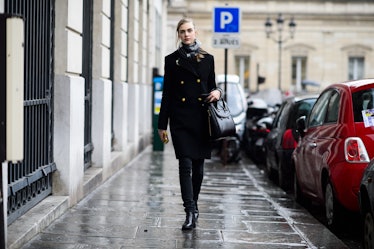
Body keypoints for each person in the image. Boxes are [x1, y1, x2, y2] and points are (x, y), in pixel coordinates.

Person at [157, 18, 221, 230]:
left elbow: (213, 85)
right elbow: (167, 94)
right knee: (185, 165)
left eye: (189, 30)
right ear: (178, 34)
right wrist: (161, 124)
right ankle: (189, 211)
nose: (186, 34)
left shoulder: (208, 59)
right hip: (181, 119)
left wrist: (218, 92)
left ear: (195, 32)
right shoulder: (171, 60)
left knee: (199, 169)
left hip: (201, 119)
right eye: (182, 31)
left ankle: (194, 206)